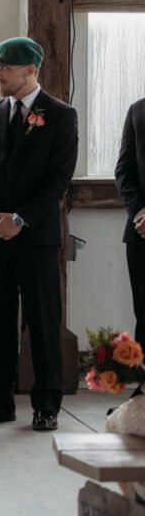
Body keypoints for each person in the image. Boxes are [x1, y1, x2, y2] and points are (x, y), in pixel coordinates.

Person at [0, 37, 78, 432]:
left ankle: (47, 405)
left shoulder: (61, 115)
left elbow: (58, 179)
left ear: (31, 70)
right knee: (0, 322)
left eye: (5, 68)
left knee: (43, 324)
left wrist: (21, 219)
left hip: (36, 236)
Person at [115, 96, 145, 402]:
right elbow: (123, 171)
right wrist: (139, 213)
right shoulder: (137, 109)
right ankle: (142, 399)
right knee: (144, 315)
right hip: (141, 233)